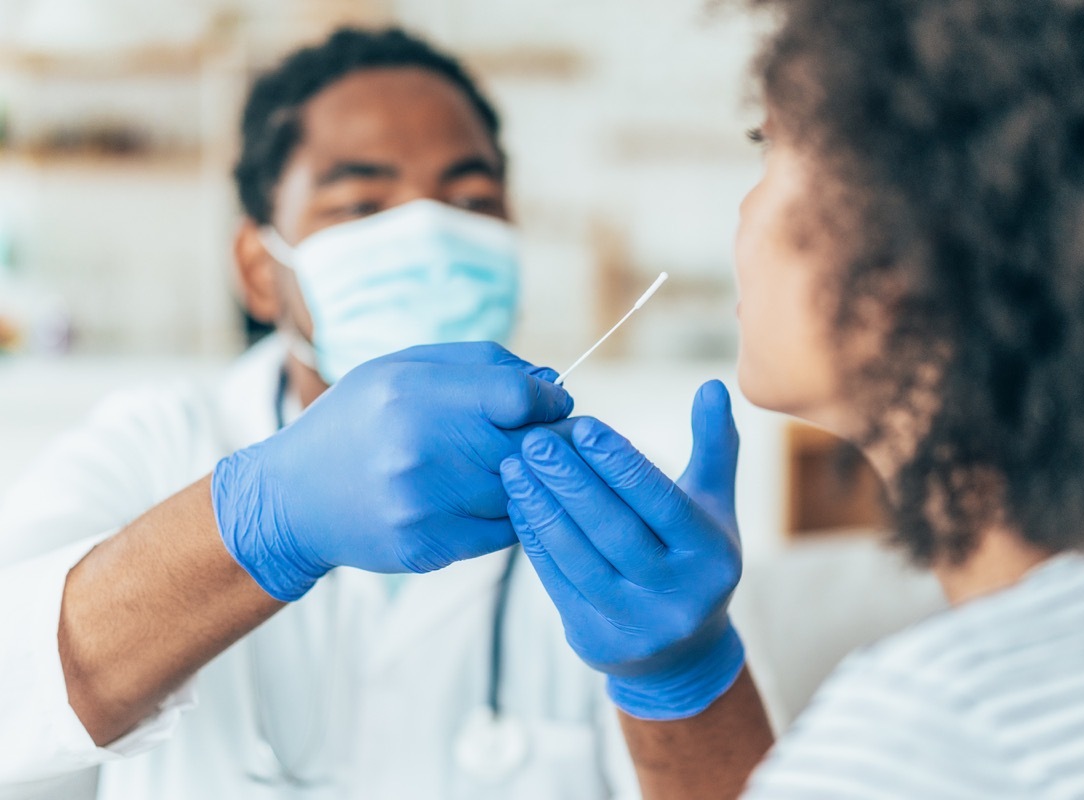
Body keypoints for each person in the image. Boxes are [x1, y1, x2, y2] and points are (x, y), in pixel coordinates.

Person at [499, 0, 1084, 797]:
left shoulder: (927, 732)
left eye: (769, 146)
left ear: (906, 244)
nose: (743, 206)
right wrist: (684, 684)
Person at [0, 28, 637, 799]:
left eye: (472, 200)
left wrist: (682, 673)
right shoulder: (156, 442)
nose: (427, 236)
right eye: (361, 204)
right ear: (258, 269)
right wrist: (261, 521)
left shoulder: (604, 490)